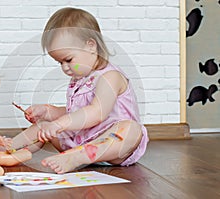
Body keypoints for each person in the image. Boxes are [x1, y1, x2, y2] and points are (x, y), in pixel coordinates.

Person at [10, 7, 149, 174]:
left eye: (68, 60)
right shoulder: (79, 80)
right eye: (59, 63)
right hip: (80, 142)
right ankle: (8, 148)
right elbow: (76, 113)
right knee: (42, 126)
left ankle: (77, 157)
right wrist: (49, 113)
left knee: (131, 130)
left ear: (91, 46)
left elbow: (96, 112)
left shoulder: (110, 77)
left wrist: (59, 124)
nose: (65, 68)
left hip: (111, 148)